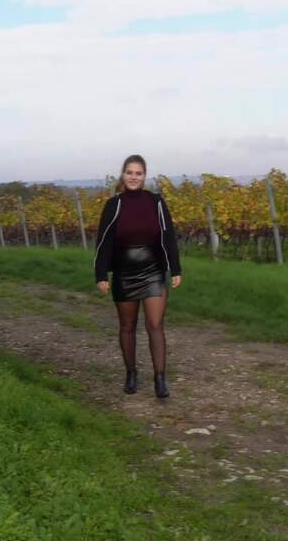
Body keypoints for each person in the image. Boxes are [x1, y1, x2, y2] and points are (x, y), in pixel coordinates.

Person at [93, 154, 182, 398]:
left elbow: (168, 235)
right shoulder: (113, 204)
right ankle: (131, 373)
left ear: (144, 176)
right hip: (124, 273)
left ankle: (160, 379)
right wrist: (101, 274)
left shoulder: (156, 202)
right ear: (123, 175)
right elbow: (103, 242)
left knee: (155, 324)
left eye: (138, 173)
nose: (133, 177)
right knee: (127, 326)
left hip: (153, 270)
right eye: (129, 172)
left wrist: (175, 268)